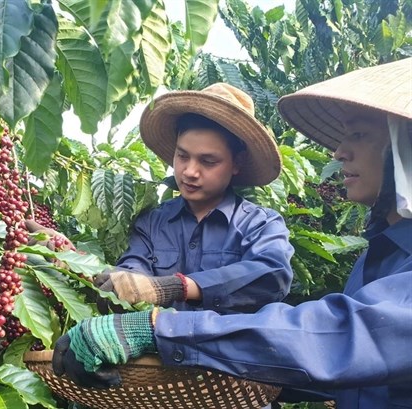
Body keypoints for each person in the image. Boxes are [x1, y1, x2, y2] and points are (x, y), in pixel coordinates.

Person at [52, 58, 412, 409]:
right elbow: (352, 372)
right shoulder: (379, 254)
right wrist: (72, 263)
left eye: (360, 135)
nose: (339, 152)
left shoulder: (260, 224)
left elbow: (308, 308)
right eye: (182, 157)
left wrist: (167, 304)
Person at [94, 83, 294, 314]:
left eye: (208, 161)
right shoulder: (151, 223)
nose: (190, 171)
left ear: (236, 163)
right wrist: (121, 281)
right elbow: (133, 266)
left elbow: (273, 274)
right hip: (154, 349)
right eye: (182, 156)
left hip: (221, 350)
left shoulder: (260, 224)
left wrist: (176, 287)